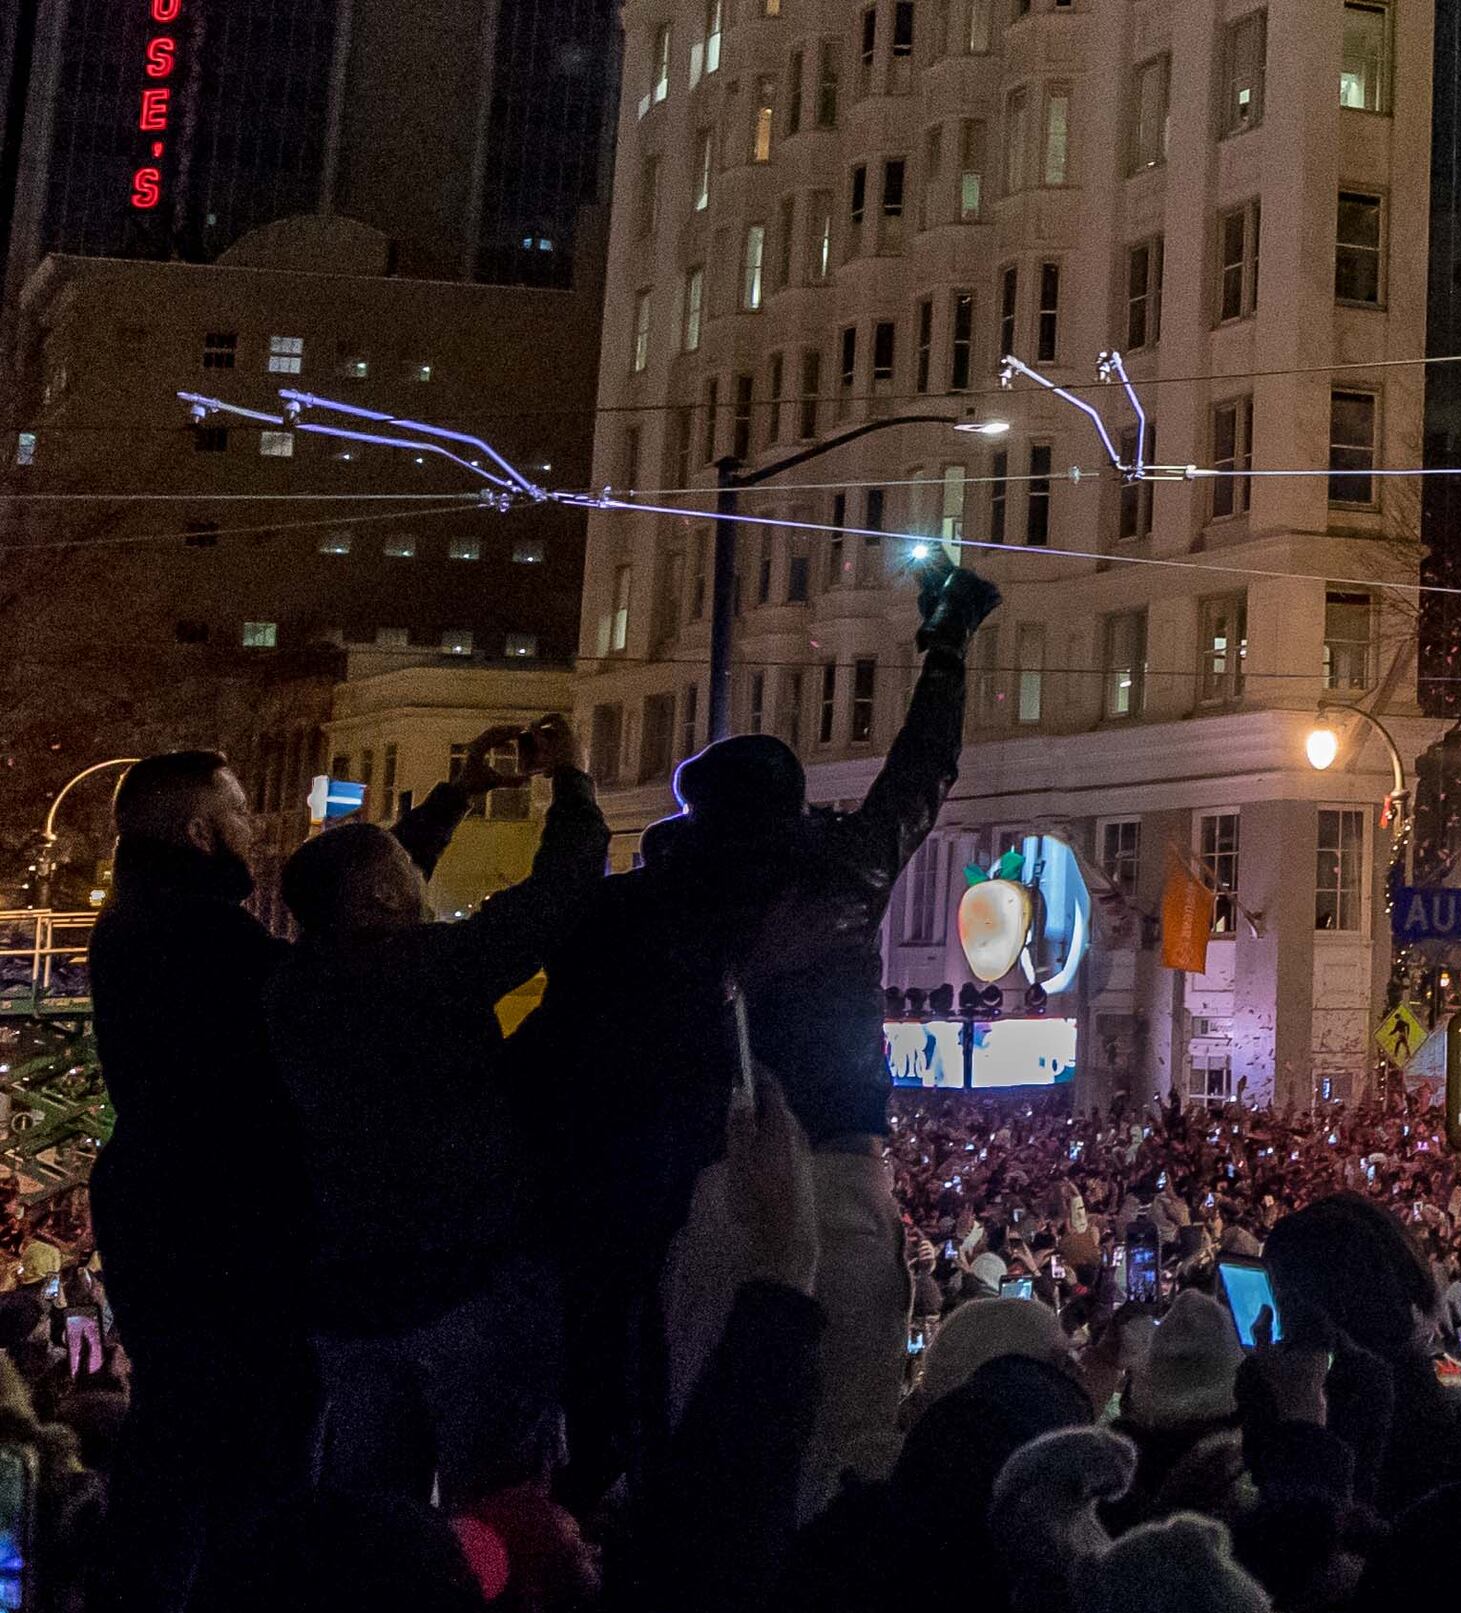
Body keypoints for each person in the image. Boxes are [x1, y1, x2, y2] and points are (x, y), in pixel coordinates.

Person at [523, 549, 1000, 1512]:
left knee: (710, 1432)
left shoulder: (657, 898)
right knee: (853, 1433)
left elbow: (573, 982)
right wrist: (945, 643)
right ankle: (823, 1594)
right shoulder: (846, 871)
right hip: (843, 1173)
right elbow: (922, 770)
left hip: (720, 1178)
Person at [269, 726, 609, 1501]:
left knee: (366, 1506)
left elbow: (367, 884)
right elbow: (557, 894)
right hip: (464, 1279)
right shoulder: (429, 968)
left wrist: (458, 796)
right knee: (494, 1502)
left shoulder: (293, 987)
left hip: (350, 1296)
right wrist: (573, 783)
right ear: (389, 897)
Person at [87, 750, 315, 1613]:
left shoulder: (138, 922)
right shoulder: (203, 935)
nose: (253, 828)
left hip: (160, 1213)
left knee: (175, 1441)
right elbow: (324, 992)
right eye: (239, 812)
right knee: (245, 1456)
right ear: (198, 831)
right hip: (227, 1229)